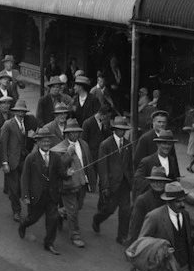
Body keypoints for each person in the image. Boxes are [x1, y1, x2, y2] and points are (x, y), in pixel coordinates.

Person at [121, 166, 174, 271]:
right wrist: (133, 249)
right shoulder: (143, 200)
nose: (158, 184)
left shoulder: (168, 199)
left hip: (163, 248)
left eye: (161, 181)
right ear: (150, 182)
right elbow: (135, 226)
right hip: (145, 247)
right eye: (155, 181)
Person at [18, 127, 67, 255]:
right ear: (38, 142)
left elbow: (62, 173)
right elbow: (25, 178)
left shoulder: (55, 157)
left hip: (51, 195)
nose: (46, 144)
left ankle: (49, 243)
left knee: (53, 219)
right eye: (43, 141)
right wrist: (25, 195)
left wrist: (68, 173)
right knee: (33, 218)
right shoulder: (31, 158)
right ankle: (23, 225)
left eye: (48, 141)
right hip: (36, 196)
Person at [92, 116, 133, 245]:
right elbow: (102, 167)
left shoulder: (127, 144)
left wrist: (132, 180)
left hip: (125, 183)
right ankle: (97, 219)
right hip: (112, 183)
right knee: (109, 209)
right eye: (119, 129)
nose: (122, 132)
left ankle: (122, 236)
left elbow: (129, 164)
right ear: (114, 129)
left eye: (124, 130)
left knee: (125, 210)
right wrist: (105, 186)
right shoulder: (106, 144)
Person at [51, 119, 91, 248]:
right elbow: (58, 166)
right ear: (66, 133)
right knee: (73, 210)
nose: (75, 135)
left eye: (77, 132)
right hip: (67, 184)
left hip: (82, 181)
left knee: (78, 207)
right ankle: (75, 235)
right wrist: (68, 153)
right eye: (72, 132)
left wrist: (91, 179)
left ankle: (59, 213)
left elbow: (88, 162)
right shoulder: (59, 147)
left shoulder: (84, 144)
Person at [0, 99, 30, 222]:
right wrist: (5, 162)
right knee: (14, 187)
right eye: (19, 112)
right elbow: (3, 145)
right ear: (15, 112)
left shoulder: (27, 123)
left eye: (23, 112)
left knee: (25, 185)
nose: (21, 114)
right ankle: (16, 211)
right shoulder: (8, 125)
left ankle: (27, 206)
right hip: (12, 160)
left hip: (24, 159)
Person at [133, 129, 181, 197]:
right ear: (158, 144)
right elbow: (137, 180)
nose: (167, 146)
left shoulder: (172, 160)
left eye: (169, 144)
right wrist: (155, 185)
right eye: (164, 143)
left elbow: (172, 179)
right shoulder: (147, 161)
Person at [81, 105, 112, 191]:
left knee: (102, 171)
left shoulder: (105, 123)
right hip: (91, 152)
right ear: (101, 114)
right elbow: (84, 140)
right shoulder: (88, 123)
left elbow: (108, 136)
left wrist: (106, 128)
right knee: (91, 172)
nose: (108, 119)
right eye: (107, 116)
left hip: (101, 152)